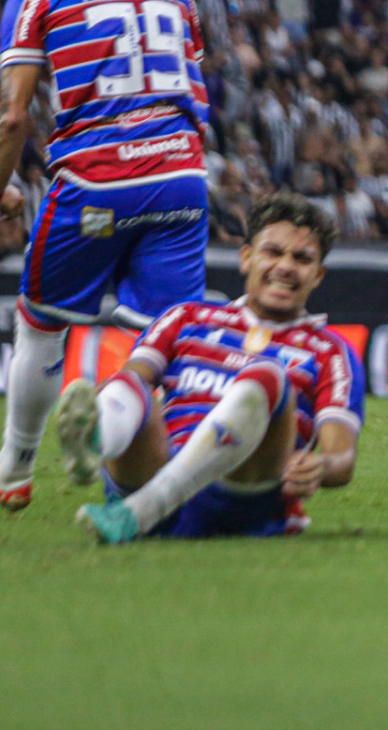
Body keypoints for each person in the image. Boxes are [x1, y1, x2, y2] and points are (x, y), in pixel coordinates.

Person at [0, 0, 211, 511]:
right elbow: (197, 89)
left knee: (42, 321)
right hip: (182, 176)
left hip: (97, 181)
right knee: (166, 336)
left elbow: (13, 117)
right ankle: (158, 461)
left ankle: (15, 468)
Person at [58, 191, 362, 543]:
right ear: (246, 258)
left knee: (268, 376)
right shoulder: (186, 317)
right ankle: (94, 445)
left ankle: (146, 508)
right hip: (151, 470)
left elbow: (342, 458)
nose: (285, 266)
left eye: (302, 258)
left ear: (318, 275)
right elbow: (134, 382)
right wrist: (107, 406)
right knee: (127, 382)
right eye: (273, 252)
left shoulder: (330, 352)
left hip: (241, 493)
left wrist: (322, 467)